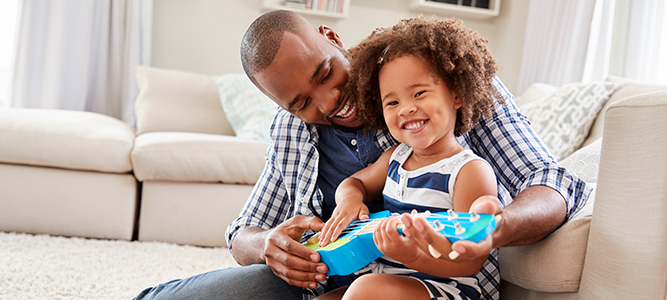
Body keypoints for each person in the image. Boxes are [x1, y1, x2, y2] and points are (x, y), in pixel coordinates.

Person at [134, 10, 593, 300]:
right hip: (321, 277)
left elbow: (549, 181)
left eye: (326, 72)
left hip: (427, 281)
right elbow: (242, 233)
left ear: (333, 38)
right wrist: (267, 246)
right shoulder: (291, 127)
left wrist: (489, 229)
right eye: (301, 102)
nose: (328, 100)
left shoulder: (437, 84)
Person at [313, 16, 501, 300]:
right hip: (390, 280)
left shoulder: (469, 171)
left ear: (457, 95)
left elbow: (469, 261)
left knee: (365, 290)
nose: (406, 109)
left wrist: (412, 256)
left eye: (420, 93)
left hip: (447, 287)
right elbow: (354, 183)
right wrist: (350, 199)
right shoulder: (395, 158)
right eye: (393, 102)